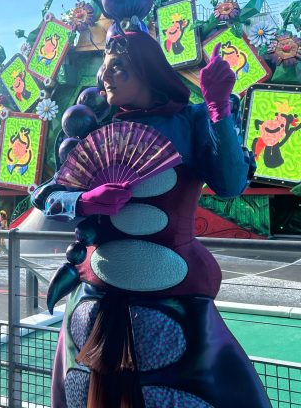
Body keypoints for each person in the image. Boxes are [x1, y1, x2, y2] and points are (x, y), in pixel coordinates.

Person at [33, 31, 269, 407]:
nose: (105, 78)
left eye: (118, 69)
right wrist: (85, 199)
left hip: (172, 297)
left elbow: (229, 182)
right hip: (97, 296)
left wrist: (219, 108)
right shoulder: (100, 130)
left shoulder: (191, 120)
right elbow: (45, 197)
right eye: (105, 71)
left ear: (148, 71)